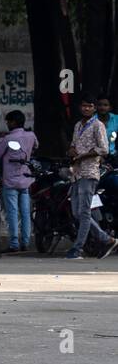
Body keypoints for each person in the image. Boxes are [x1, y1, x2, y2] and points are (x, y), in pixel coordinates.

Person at [64, 95, 118, 260]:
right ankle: (106, 239)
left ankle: (77, 249)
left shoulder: (98, 125)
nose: (86, 108)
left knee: (84, 212)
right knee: (77, 212)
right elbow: (73, 145)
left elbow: (104, 149)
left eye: (90, 106)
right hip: (76, 173)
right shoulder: (78, 125)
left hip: (90, 172)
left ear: (94, 108)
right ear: (81, 108)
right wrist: (72, 151)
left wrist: (83, 156)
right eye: (84, 106)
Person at [0, 110, 38, 254]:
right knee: (25, 212)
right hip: (25, 179)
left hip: (10, 180)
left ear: (13, 122)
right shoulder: (31, 135)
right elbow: (36, 146)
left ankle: (14, 243)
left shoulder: (7, 138)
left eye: (8, 121)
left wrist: (0, 140)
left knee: (13, 212)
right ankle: (25, 242)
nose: (7, 124)